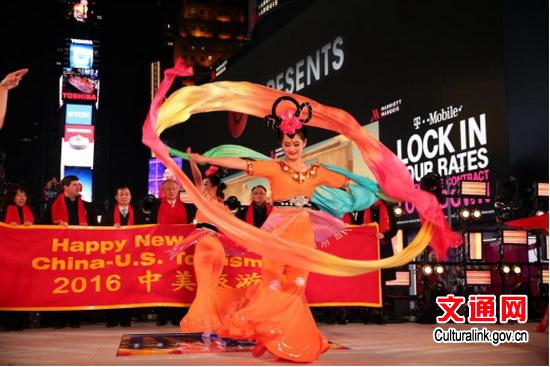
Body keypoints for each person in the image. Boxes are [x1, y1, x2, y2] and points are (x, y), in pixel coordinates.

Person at [185, 98, 352, 362]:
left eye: (296, 144)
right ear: (281, 145)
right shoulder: (274, 167)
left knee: (296, 285)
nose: (292, 148)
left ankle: (294, 340)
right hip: (278, 230)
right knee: (272, 283)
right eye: (287, 144)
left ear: (305, 143)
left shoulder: (317, 172)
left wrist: (373, 187)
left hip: (302, 231)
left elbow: (347, 182)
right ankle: (267, 331)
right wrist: (204, 158)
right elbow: (242, 163)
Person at [101, 185, 142, 327]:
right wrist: (112, 231)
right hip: (113, 256)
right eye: (121, 194)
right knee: (111, 286)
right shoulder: (107, 214)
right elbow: (100, 233)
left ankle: (126, 318)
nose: (124, 196)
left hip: (131, 256)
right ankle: (111, 319)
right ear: (116, 198)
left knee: (128, 286)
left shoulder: (138, 213)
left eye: (127, 194)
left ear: (131, 197)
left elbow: (145, 232)